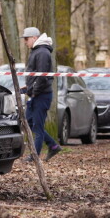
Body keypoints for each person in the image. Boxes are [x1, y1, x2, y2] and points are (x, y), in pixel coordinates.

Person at [20, 26, 62, 162]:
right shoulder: (37, 51)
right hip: (36, 94)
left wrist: (33, 93)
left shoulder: (43, 52)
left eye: (26, 39)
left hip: (41, 96)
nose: (25, 42)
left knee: (37, 127)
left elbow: (43, 76)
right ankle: (53, 145)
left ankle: (34, 157)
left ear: (34, 38)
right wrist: (28, 88)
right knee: (29, 122)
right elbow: (36, 75)